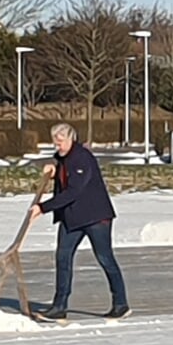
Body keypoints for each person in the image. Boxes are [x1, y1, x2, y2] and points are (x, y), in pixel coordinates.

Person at [28, 123, 130, 320]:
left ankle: (121, 304)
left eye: (60, 143)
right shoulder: (64, 157)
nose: (58, 147)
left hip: (95, 217)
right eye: (55, 144)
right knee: (63, 257)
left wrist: (43, 207)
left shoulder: (82, 157)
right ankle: (59, 306)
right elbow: (63, 167)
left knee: (105, 258)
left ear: (71, 139)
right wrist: (54, 167)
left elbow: (74, 191)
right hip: (72, 217)